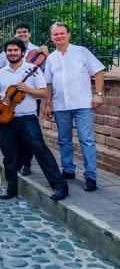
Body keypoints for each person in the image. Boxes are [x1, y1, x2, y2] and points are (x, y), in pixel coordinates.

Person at [0, 39, 68, 201]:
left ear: (22, 53)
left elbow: (44, 93)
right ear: (6, 53)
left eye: (16, 50)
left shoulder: (33, 70)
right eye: (9, 50)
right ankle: (11, 188)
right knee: (9, 155)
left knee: (40, 150)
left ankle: (59, 186)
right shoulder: (0, 73)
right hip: (6, 119)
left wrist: (27, 89)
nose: (12, 53)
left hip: (27, 118)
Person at [43, 22, 105, 192]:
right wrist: (48, 104)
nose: (59, 37)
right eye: (55, 34)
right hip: (61, 105)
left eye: (62, 33)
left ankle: (90, 176)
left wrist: (98, 94)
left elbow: (98, 71)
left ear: (68, 35)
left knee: (86, 140)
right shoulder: (51, 58)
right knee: (64, 140)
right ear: (52, 37)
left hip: (83, 104)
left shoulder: (81, 52)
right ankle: (68, 170)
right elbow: (48, 83)